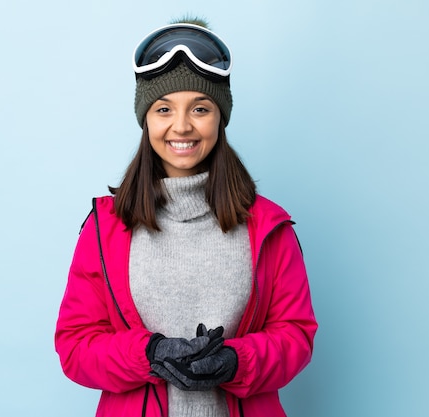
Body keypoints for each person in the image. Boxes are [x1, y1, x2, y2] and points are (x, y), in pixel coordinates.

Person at [55, 19, 318, 417]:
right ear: (146, 119)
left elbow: (296, 336)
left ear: (220, 117)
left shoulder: (268, 226)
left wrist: (236, 361)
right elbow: (75, 346)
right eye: (164, 109)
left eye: (200, 108)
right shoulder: (104, 227)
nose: (182, 126)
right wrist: (148, 353)